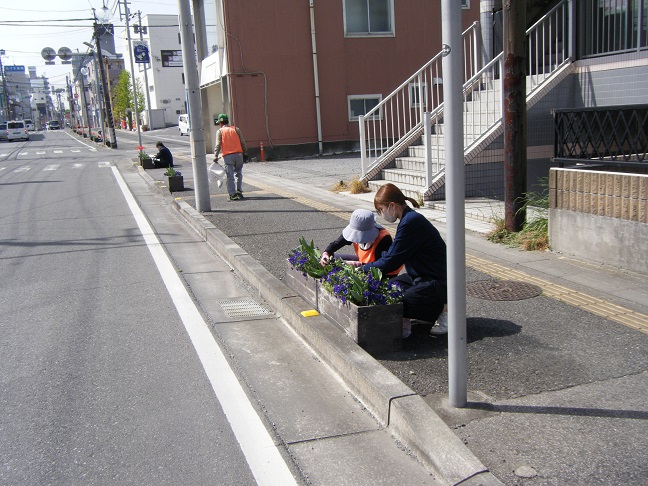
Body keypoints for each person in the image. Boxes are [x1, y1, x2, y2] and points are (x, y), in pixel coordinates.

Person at [360, 183, 449, 337]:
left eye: (381, 209)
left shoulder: (410, 222)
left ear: (392, 205)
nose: (381, 214)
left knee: (395, 300)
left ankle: (445, 311)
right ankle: (430, 310)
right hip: (420, 276)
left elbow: (391, 261)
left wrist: (362, 270)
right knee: (387, 290)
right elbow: (393, 254)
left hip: (436, 281)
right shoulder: (408, 219)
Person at [319, 209, 402, 278]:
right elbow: (336, 244)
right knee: (332, 259)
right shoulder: (354, 230)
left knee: (341, 267)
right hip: (364, 263)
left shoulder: (384, 238)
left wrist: (358, 265)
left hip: (383, 273)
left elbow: (382, 265)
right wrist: (326, 253)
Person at [213, 113, 248, 201]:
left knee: (230, 176)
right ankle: (239, 191)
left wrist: (215, 156)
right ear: (227, 121)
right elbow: (243, 142)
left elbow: (218, 145)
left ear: (220, 123)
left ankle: (232, 194)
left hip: (228, 156)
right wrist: (245, 152)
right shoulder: (236, 129)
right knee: (238, 174)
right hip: (239, 155)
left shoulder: (220, 131)